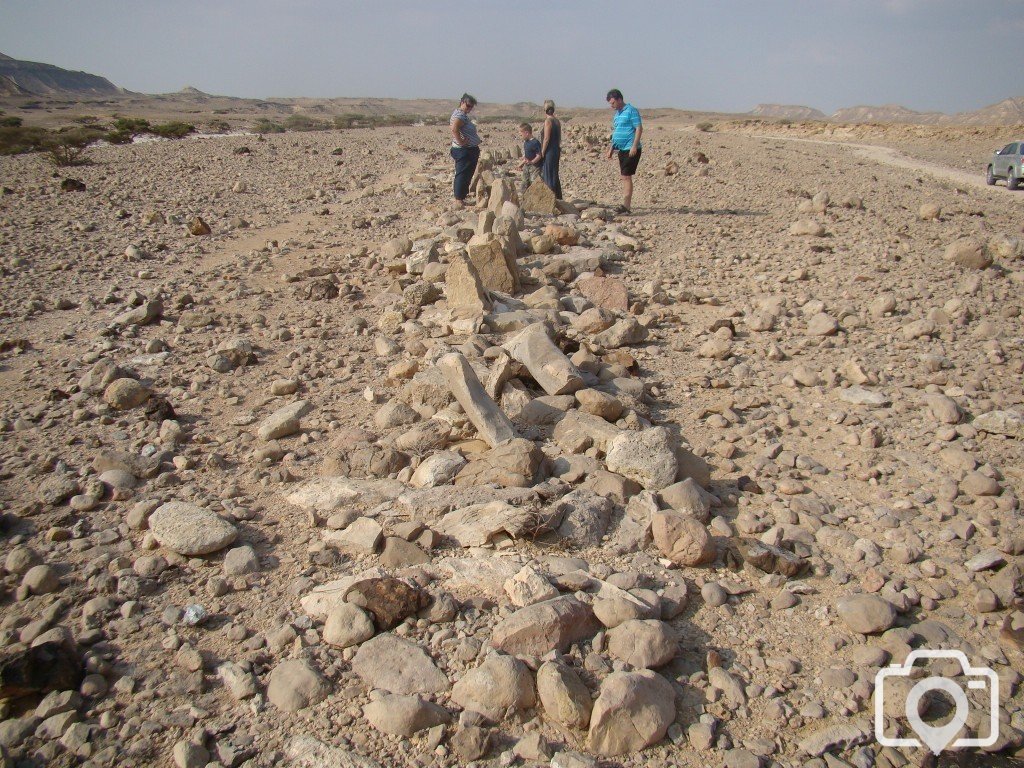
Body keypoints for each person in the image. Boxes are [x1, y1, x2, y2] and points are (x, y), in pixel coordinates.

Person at [605, 88, 642, 213]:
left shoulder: (631, 111)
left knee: (626, 176)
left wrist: (634, 145)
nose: (612, 105)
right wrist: (611, 148)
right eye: (610, 103)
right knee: (624, 176)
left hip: (630, 148)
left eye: (613, 103)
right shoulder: (617, 114)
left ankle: (626, 206)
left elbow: (638, 128)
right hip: (621, 149)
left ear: (619, 99)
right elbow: (617, 132)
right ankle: (626, 205)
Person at [450, 93, 481, 208]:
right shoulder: (459, 115)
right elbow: (454, 128)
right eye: (468, 106)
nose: (469, 109)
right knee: (462, 174)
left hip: (468, 149)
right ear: (462, 102)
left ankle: (461, 197)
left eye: (471, 107)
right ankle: (458, 199)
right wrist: (461, 141)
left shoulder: (461, 114)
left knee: (466, 174)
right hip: (464, 150)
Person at [539, 99, 562, 199]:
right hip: (556, 149)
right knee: (554, 173)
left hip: (549, 151)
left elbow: (546, 138)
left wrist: (542, 152)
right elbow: (559, 138)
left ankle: (550, 198)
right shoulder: (557, 121)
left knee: (548, 173)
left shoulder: (548, 121)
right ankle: (557, 197)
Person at [517, 123, 542, 195]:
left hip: (535, 167)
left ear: (527, 133)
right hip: (526, 166)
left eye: (521, 135)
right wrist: (520, 164)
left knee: (533, 182)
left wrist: (532, 162)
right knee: (524, 182)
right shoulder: (526, 142)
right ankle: (524, 198)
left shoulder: (535, 142)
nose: (520, 136)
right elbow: (526, 156)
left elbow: (539, 155)